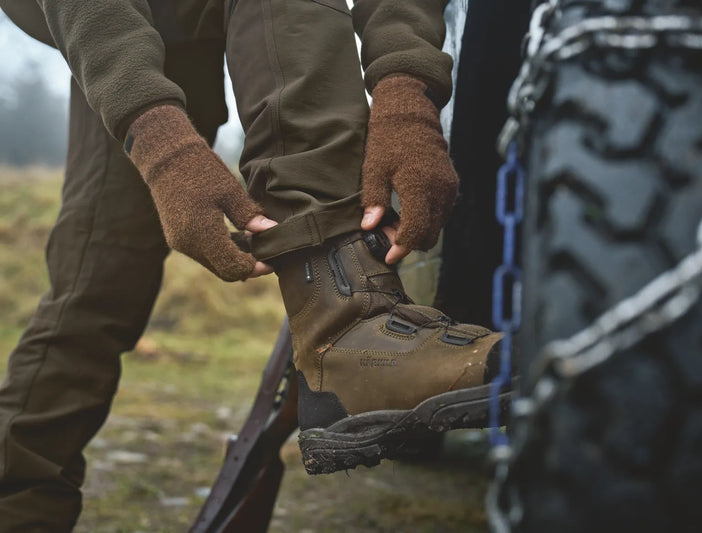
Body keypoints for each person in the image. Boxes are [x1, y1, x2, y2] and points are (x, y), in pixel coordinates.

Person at [0, 0, 507, 529]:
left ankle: (348, 323)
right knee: (99, 279)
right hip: (105, 15)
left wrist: (407, 94)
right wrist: (161, 144)